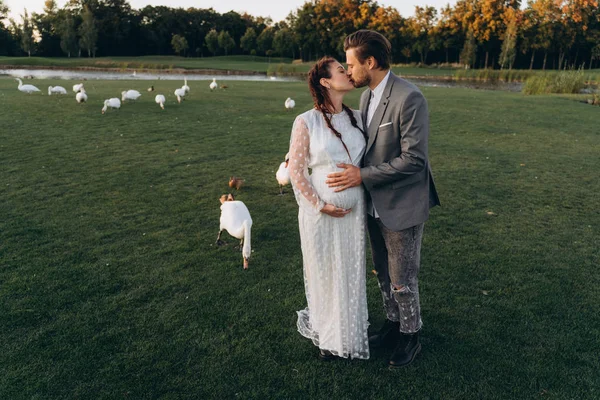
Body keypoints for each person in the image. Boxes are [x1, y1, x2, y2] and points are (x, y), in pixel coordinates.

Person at [326, 30, 441, 368]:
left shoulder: (410, 98)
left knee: (403, 279)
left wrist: (362, 176)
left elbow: (415, 159)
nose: (348, 72)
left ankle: (411, 336)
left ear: (370, 62)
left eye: (351, 65)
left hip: (403, 204)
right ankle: (392, 326)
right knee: (383, 273)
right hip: (372, 204)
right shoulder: (365, 97)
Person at [288, 57, 369, 361]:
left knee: (349, 271)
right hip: (320, 214)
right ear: (325, 82)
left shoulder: (359, 118)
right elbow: (296, 172)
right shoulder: (305, 121)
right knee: (325, 272)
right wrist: (321, 206)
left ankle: (347, 334)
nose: (348, 73)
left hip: (354, 212)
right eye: (340, 70)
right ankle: (327, 336)